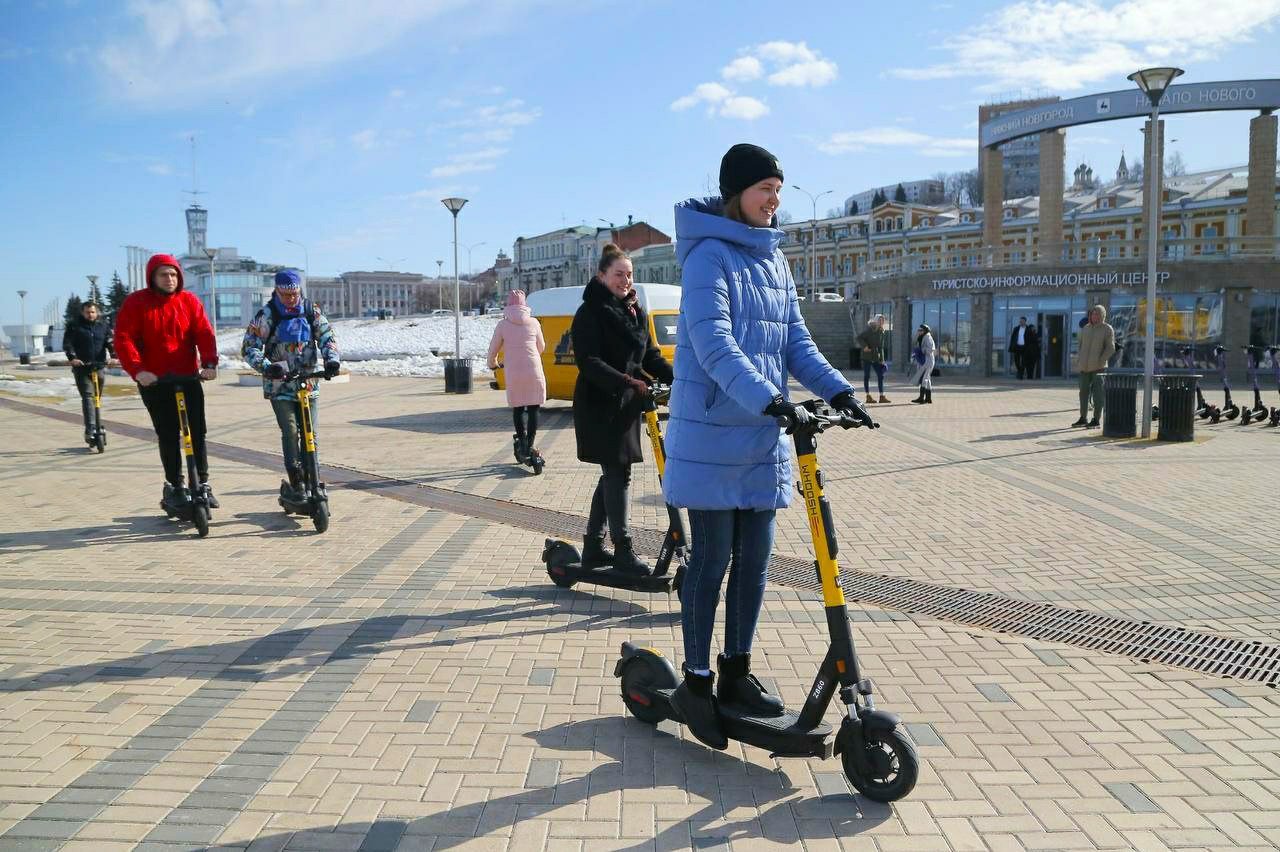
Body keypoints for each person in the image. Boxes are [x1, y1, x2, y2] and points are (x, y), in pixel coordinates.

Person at [662, 143, 864, 750]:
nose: (774, 199)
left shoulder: (774, 262)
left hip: (760, 434)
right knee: (713, 557)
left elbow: (796, 342)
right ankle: (695, 682)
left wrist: (839, 391)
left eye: (779, 188)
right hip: (713, 433)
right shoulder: (708, 258)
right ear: (736, 193)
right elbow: (715, 344)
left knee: (756, 562)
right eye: (764, 189)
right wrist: (770, 399)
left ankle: (735, 673)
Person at [571, 244, 674, 575]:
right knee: (618, 474)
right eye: (619, 274)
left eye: (629, 274)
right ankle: (623, 550)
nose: (625, 280)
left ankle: (592, 548)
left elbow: (650, 356)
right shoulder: (591, 311)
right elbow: (589, 362)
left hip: (626, 406)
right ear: (602, 276)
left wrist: (679, 378)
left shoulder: (635, 311)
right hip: (600, 404)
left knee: (613, 475)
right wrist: (627, 382)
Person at [113, 253, 219, 511]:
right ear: (152, 277)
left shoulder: (189, 301)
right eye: (164, 274)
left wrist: (209, 363)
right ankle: (175, 484)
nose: (170, 279)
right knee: (168, 434)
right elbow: (124, 339)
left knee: (197, 432)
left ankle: (202, 482)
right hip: (155, 381)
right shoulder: (136, 303)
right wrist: (138, 371)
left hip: (187, 376)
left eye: (173, 274)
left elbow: (204, 332)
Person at [240, 269, 340, 498]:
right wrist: (267, 367)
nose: (290, 299)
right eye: (285, 295)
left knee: (311, 433)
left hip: (308, 383)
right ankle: (296, 479)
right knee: (291, 431)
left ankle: (312, 477)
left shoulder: (310, 311)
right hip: (280, 385)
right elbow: (249, 347)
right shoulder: (266, 315)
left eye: (294, 294)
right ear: (277, 292)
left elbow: (326, 337)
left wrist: (332, 361)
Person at [487, 289, 547, 466]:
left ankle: (521, 441)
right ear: (525, 305)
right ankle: (530, 443)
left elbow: (493, 349)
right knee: (534, 408)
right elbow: (541, 346)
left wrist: (493, 363)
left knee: (518, 408)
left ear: (508, 305)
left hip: (514, 372)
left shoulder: (503, 325)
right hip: (533, 369)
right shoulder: (534, 323)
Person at [63, 300, 115, 444]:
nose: (90, 315)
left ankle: (96, 425)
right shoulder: (74, 326)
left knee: (96, 399)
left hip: (98, 367)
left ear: (97, 312)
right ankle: (90, 429)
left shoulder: (103, 326)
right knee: (88, 397)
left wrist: (114, 357)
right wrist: (73, 358)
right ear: (82, 312)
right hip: (82, 368)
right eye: (87, 312)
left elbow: (110, 343)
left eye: (93, 312)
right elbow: (68, 344)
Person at [1073, 304, 1116, 428]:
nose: (1094, 316)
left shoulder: (1107, 329)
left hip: (1098, 368)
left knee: (1098, 395)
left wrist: (1101, 360)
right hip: (1084, 368)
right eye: (1092, 314)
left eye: (1097, 314)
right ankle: (1083, 418)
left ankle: (1096, 420)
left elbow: (1111, 348)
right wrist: (1080, 359)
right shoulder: (1085, 328)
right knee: (1083, 393)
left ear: (1102, 315)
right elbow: (1080, 346)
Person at [856, 314, 890, 404]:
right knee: (867, 376)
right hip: (867, 356)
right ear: (876, 321)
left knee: (880, 375)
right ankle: (868, 396)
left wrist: (882, 359)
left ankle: (882, 396)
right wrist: (865, 346)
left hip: (876, 357)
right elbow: (859, 337)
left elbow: (881, 347)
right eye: (880, 320)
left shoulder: (881, 331)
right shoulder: (869, 330)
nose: (881, 322)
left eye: (883, 321)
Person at [910, 323, 936, 404]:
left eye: (920, 330)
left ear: (925, 331)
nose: (919, 331)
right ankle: (928, 398)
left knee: (924, 378)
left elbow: (931, 349)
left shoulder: (928, 337)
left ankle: (921, 398)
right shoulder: (921, 338)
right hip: (924, 361)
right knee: (927, 379)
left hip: (928, 361)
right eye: (918, 330)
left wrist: (921, 350)